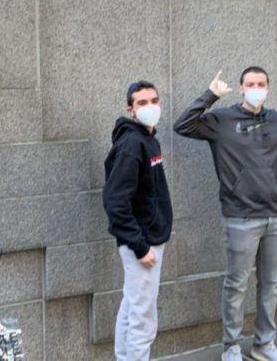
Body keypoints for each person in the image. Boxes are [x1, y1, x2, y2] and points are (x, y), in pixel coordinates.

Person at [174, 67, 277, 361]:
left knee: (270, 285)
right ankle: (231, 347)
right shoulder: (221, 121)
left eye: (261, 84)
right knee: (236, 285)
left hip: (276, 218)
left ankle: (264, 345)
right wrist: (210, 95)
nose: (256, 88)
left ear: (268, 88)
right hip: (240, 218)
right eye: (250, 84)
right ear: (240, 88)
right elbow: (183, 125)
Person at [103, 81, 173, 361]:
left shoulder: (148, 138)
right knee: (144, 320)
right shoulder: (132, 144)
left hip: (148, 238)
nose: (150, 107)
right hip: (142, 244)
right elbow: (115, 202)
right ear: (130, 109)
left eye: (153, 100)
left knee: (132, 308)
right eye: (142, 103)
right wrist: (140, 245)